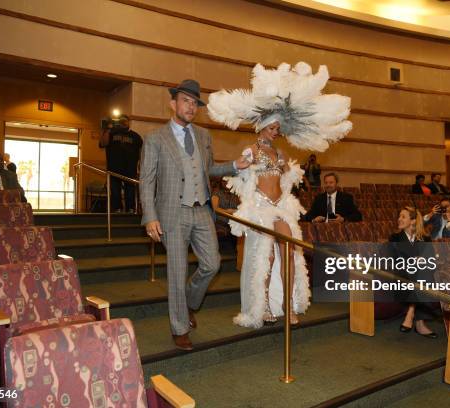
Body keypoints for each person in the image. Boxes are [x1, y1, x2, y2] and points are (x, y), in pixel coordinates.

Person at [208, 61, 352, 328]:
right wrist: (242, 163)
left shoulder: (279, 153)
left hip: (279, 205)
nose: (276, 133)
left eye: (277, 129)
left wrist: (288, 171)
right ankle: (261, 306)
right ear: (262, 126)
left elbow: (287, 180)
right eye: (272, 128)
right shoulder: (252, 150)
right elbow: (239, 170)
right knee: (267, 256)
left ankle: (287, 302)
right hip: (260, 206)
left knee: (289, 250)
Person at [139, 79, 249, 351]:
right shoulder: (155, 139)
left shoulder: (203, 136)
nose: (190, 107)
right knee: (177, 272)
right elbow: (147, 180)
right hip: (171, 214)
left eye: (194, 103)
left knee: (212, 264)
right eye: (185, 101)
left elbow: (207, 170)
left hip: (201, 211)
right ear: (173, 103)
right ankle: (179, 327)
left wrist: (235, 165)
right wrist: (150, 216)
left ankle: (188, 302)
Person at [390, 206, 437, 339]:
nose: (399, 219)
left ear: (412, 221)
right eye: (399, 216)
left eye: (403, 216)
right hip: (401, 276)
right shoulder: (395, 237)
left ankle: (411, 312)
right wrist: (413, 261)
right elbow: (393, 260)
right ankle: (419, 323)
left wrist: (421, 261)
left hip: (420, 276)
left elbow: (431, 260)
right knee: (423, 275)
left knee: (424, 273)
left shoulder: (425, 238)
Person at [100, 114, 143, 213]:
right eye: (121, 121)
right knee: (115, 192)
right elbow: (103, 143)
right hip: (114, 169)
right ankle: (117, 209)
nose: (123, 123)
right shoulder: (111, 133)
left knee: (130, 192)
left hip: (130, 169)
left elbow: (141, 152)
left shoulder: (136, 136)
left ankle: (130, 209)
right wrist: (107, 129)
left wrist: (141, 166)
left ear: (129, 122)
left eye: (125, 121)